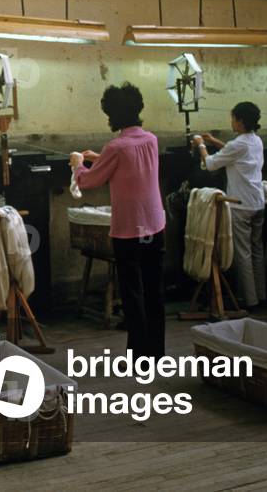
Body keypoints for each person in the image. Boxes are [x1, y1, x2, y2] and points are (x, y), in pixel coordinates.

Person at [70, 83, 166, 359]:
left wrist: (78, 162)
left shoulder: (116, 146)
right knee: (153, 289)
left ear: (112, 114)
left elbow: (88, 180)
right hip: (155, 225)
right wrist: (99, 158)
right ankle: (156, 353)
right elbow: (132, 167)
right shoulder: (150, 140)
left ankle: (139, 358)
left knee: (132, 292)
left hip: (128, 231)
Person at [192, 102, 266, 310]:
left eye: (233, 118)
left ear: (240, 120)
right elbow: (234, 153)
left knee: (243, 253)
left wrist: (201, 145)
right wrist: (215, 141)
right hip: (257, 202)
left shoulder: (238, 144)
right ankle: (261, 294)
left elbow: (211, 164)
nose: (231, 121)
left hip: (240, 205)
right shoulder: (255, 141)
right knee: (257, 251)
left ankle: (250, 301)